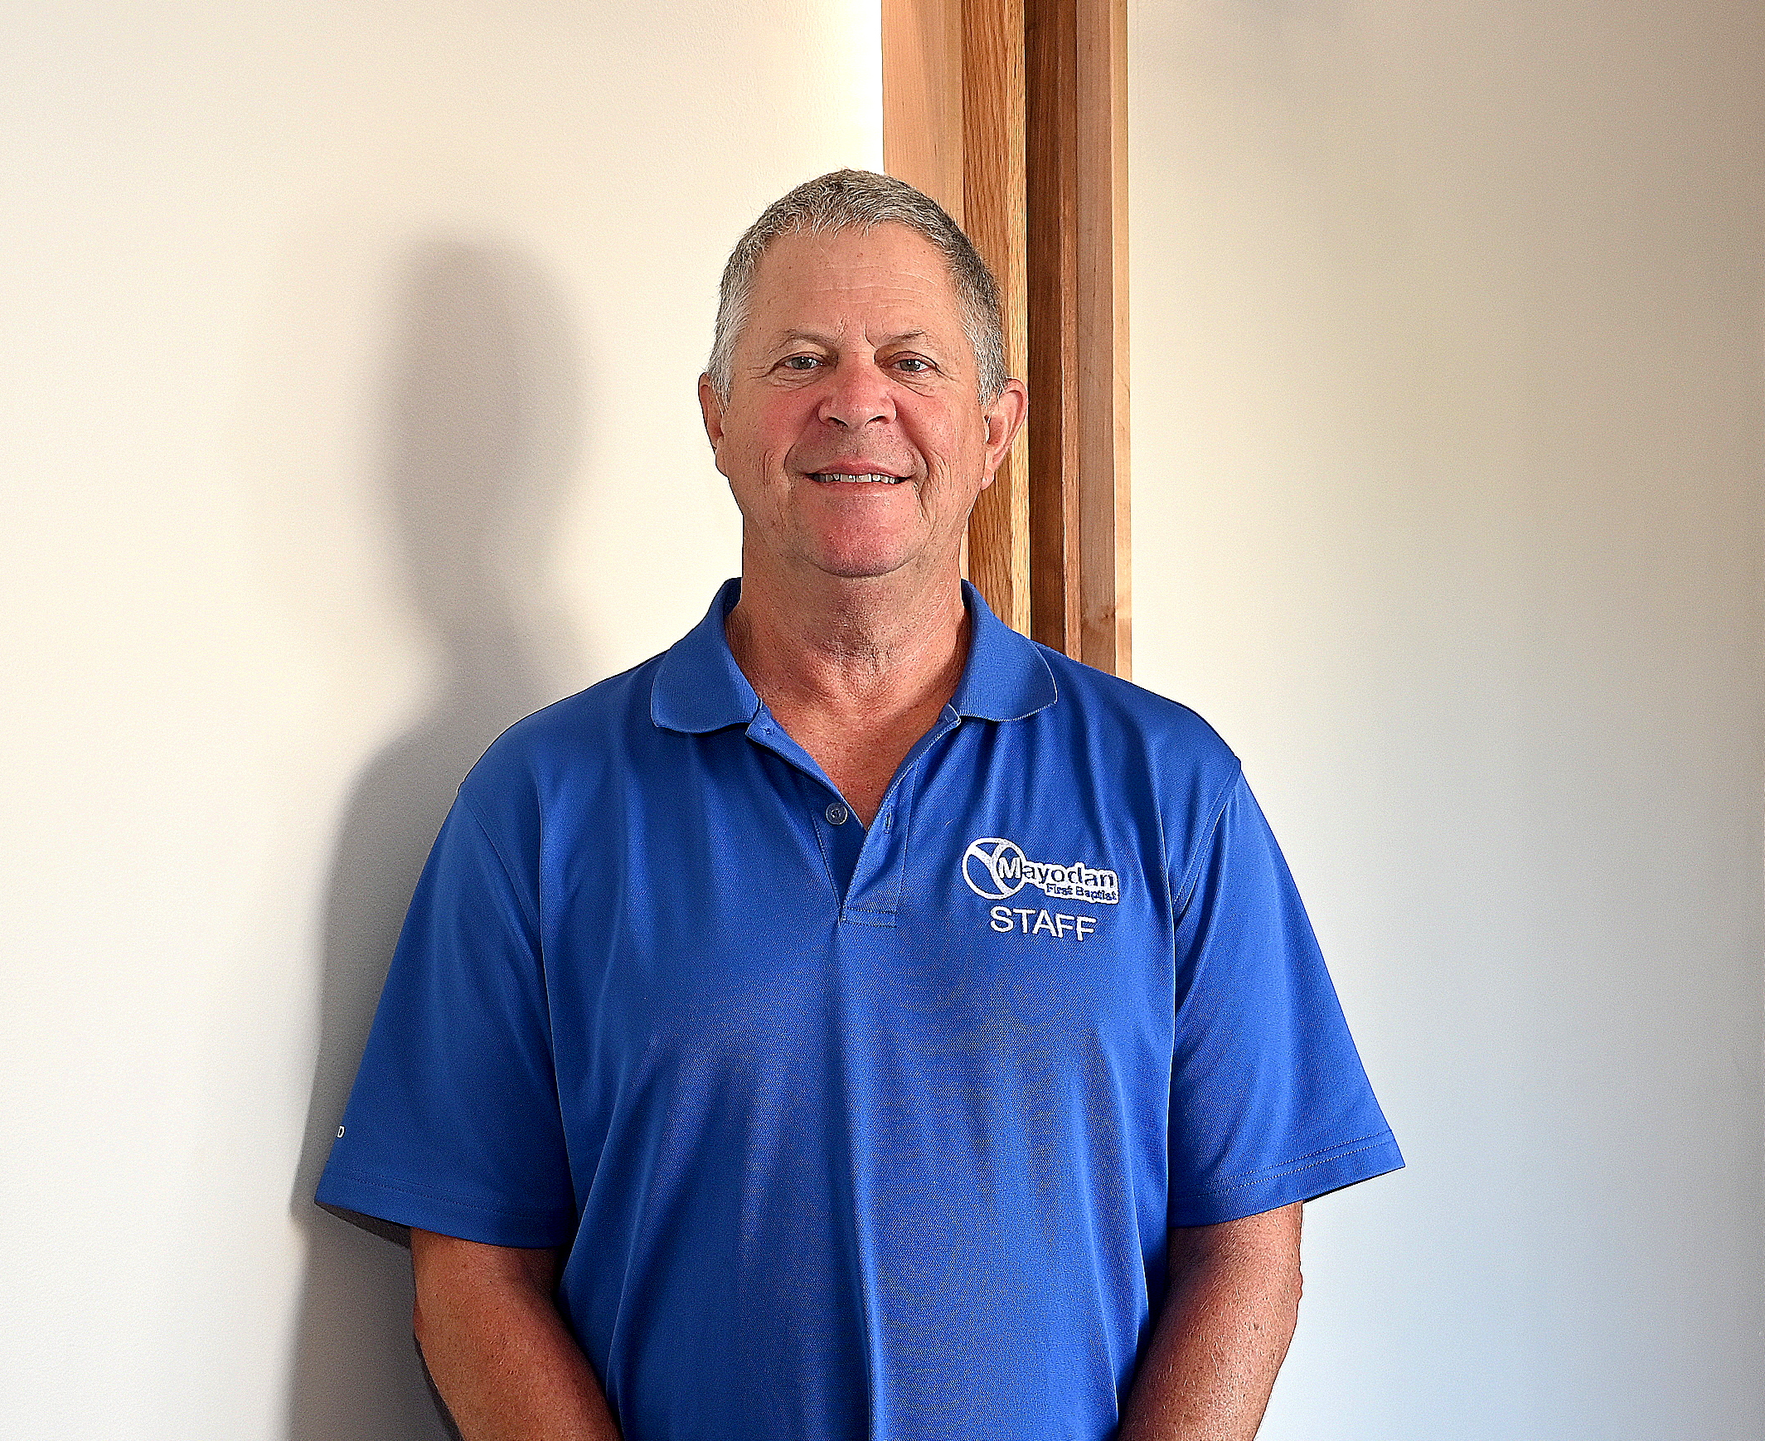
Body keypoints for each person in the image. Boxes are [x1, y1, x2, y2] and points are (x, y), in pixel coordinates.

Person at [317, 169, 1402, 1441]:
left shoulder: (1171, 791)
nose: (857, 402)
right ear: (717, 420)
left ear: (996, 430)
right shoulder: (537, 805)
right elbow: (468, 1274)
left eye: (910, 360)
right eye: (799, 358)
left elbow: (1249, 1247)